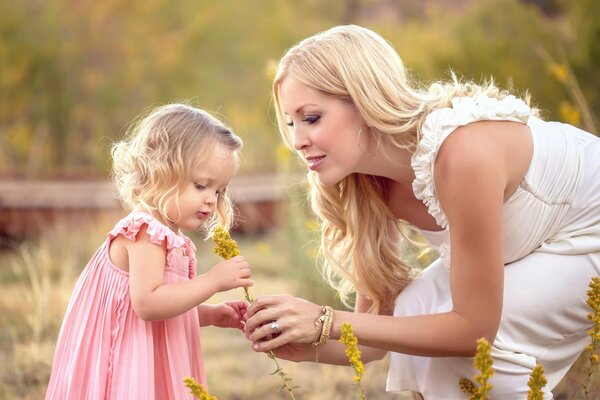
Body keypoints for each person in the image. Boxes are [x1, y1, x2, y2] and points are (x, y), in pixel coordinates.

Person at [243, 25, 600, 399]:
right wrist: (305, 342)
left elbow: (473, 331)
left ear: (365, 100)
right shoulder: (369, 187)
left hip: (589, 231)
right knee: (413, 307)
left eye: (312, 118)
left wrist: (325, 320)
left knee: (481, 351)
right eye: (290, 122)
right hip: (542, 239)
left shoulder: (462, 153)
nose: (298, 140)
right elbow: (372, 339)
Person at [45, 103, 253, 399]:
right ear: (161, 171)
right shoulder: (145, 231)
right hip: (128, 360)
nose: (211, 200)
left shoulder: (168, 235)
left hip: (147, 351)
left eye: (219, 191)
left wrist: (208, 315)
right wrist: (214, 281)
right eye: (201, 185)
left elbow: (166, 304)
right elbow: (148, 304)